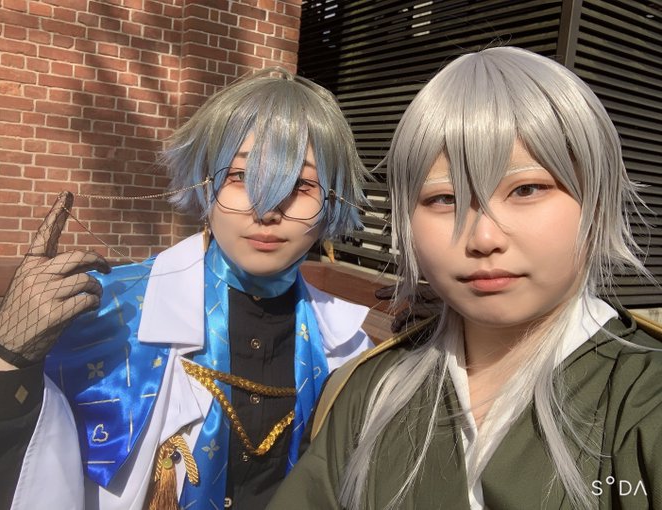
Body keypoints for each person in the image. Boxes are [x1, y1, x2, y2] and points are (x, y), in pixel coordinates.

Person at [268, 46, 662, 509]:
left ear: (595, 202)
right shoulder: (367, 392)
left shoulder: (645, 401)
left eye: (527, 189)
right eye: (444, 199)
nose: (483, 237)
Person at [0, 68, 374, 510]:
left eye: (300, 184)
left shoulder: (350, 349)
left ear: (333, 200)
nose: (267, 209)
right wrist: (4, 357)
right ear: (205, 181)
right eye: (241, 176)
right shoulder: (108, 314)